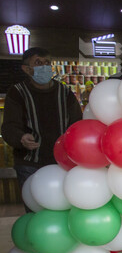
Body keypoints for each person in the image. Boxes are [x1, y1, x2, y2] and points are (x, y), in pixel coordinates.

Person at [1, 48, 82, 194]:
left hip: (62, 162)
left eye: (47, 63)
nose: (45, 67)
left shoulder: (65, 93)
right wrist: (21, 138)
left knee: (61, 205)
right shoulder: (17, 92)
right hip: (30, 163)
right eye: (38, 63)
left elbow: (77, 124)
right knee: (35, 210)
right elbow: (9, 126)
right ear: (26, 69)